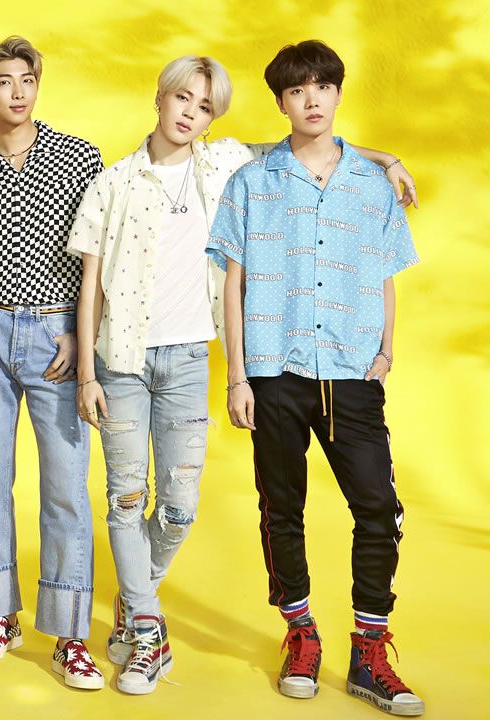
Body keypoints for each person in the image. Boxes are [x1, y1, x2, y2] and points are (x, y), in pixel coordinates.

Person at [207, 40, 424, 716]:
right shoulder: (251, 182)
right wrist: (237, 376)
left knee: (379, 508)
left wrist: (386, 350)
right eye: (297, 90)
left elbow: (383, 271)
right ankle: (300, 633)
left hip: (352, 369)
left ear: (337, 93)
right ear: (282, 102)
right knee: (282, 508)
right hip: (275, 369)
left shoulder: (371, 183)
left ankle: (370, 649)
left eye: (322, 87)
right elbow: (234, 282)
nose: (312, 99)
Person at [0, 36, 105, 689]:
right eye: (3, 81)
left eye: (27, 79)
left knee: (65, 484)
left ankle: (69, 635)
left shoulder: (79, 158)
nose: (17, 91)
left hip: (55, 334)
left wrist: (79, 335)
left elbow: (97, 255)